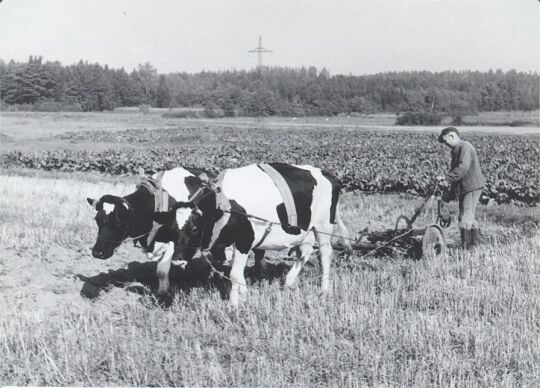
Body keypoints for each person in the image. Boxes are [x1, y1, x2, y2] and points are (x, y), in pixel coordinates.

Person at [437, 127, 485, 249]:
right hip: (465, 187)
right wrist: (450, 195)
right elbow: (457, 175)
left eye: (446, 141)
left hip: (472, 187)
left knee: (464, 220)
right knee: (467, 217)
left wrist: (447, 179)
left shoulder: (465, 147)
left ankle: (466, 250)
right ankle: (475, 245)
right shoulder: (456, 150)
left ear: (452, 136)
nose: (446, 145)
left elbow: (463, 168)